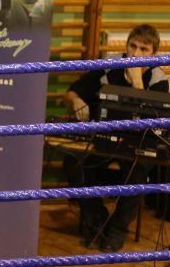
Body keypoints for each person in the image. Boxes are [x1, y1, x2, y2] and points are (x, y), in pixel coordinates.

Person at [63, 24, 168, 252]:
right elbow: (72, 92)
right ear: (126, 46)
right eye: (132, 46)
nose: (136, 54)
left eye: (144, 49)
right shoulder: (108, 67)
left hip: (137, 144)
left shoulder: (158, 80)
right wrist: (76, 101)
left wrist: (137, 83)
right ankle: (97, 221)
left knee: (140, 171)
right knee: (73, 161)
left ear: (154, 54)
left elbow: (152, 121)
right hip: (103, 139)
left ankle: (116, 231)